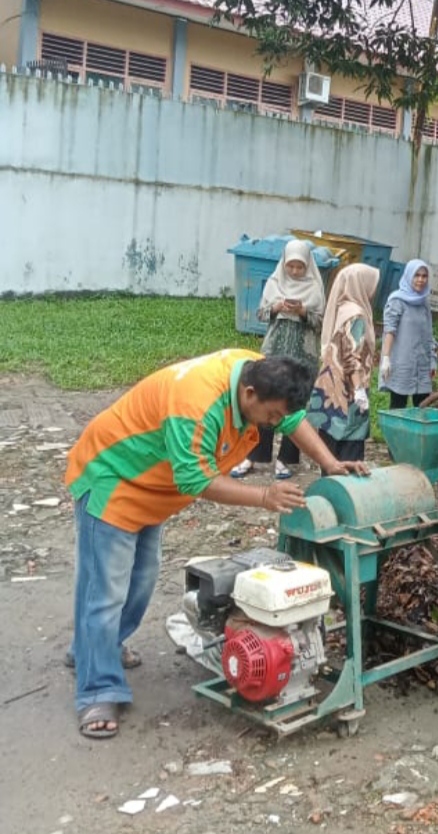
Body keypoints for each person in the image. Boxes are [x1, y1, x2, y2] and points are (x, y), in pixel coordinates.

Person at [64, 349, 369, 739]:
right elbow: (195, 480)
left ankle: (94, 649)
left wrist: (330, 464)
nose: (275, 424)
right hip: (112, 477)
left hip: (152, 490)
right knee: (104, 590)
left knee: (141, 581)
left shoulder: (259, 374)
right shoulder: (195, 402)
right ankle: (97, 690)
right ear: (249, 394)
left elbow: (293, 420)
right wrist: (263, 497)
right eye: (271, 415)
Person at [231, 240, 325, 480]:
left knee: (294, 405)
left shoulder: (314, 287)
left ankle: (286, 459)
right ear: (284, 263)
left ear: (307, 266)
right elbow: (261, 313)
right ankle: (254, 455)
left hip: (302, 355)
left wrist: (303, 312)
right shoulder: (274, 283)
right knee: (265, 399)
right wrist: (277, 307)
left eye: (299, 267)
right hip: (274, 351)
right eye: (291, 266)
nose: (294, 271)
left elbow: (320, 322)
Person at [307, 263, 380, 467]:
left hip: (331, 385)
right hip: (348, 390)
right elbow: (351, 354)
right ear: (360, 284)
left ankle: (328, 489)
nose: (373, 289)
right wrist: (358, 390)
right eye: (370, 284)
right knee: (350, 448)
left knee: (329, 442)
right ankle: (347, 493)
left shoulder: (342, 307)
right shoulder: (356, 314)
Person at [380, 258, 437, 408]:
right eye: (416, 275)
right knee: (398, 407)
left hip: (422, 364)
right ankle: (396, 432)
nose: (420, 280)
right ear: (408, 276)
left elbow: (429, 334)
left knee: (422, 407)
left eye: (424, 276)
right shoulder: (397, 301)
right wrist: (386, 358)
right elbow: (389, 330)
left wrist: (432, 360)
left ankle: (418, 433)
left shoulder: (424, 302)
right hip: (402, 363)